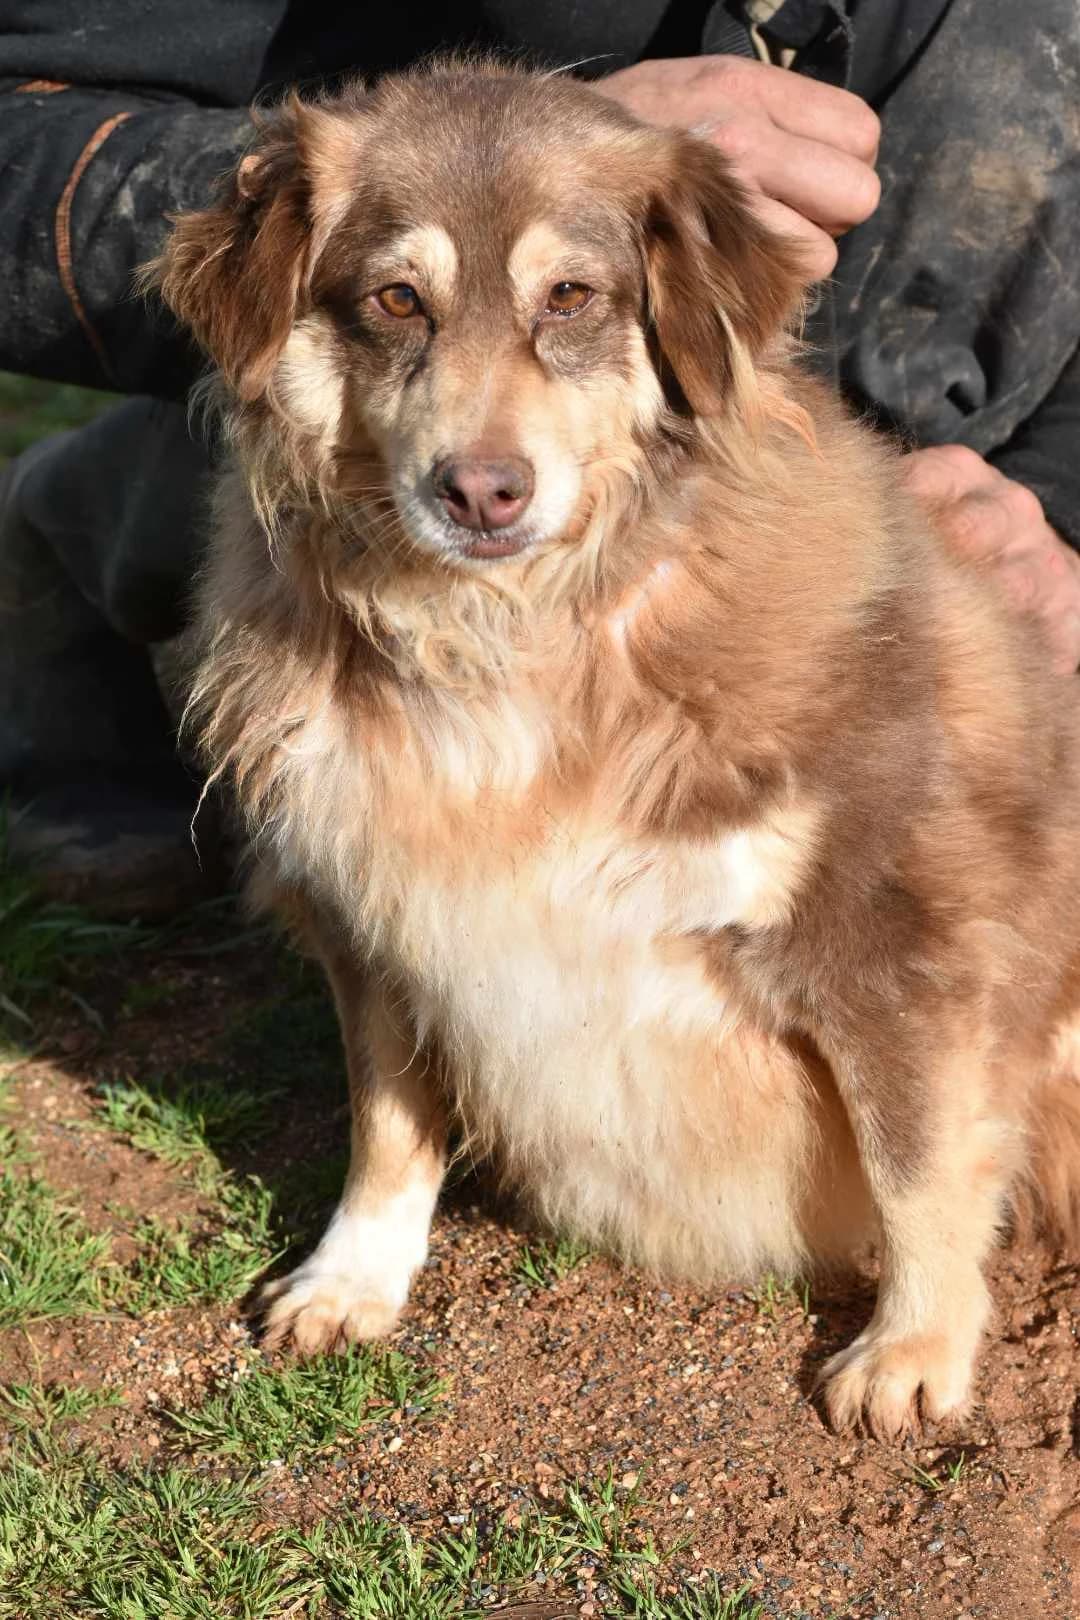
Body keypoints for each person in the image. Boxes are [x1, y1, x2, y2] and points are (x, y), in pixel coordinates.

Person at [1, 0, 1078, 915]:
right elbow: (22, 130)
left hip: (884, 465)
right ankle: (100, 526)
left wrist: (1057, 510)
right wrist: (511, 149)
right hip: (398, 446)